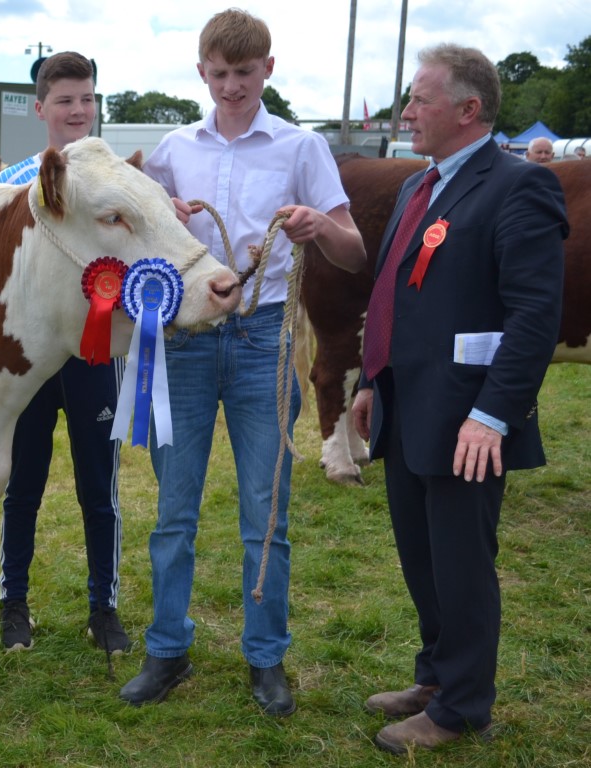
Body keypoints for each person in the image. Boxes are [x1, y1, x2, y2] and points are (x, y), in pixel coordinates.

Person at [118, 9, 365, 714]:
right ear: (202, 72)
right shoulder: (172, 150)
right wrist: (160, 212)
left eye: (245, 73)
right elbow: (133, 235)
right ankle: (167, 649)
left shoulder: (301, 147)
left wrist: (321, 227)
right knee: (174, 510)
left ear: (268, 70)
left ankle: (266, 657)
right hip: (186, 341)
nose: (232, 87)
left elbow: (354, 252)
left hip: (264, 340)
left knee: (266, 512)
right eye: (220, 74)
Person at [351, 44, 566, 754]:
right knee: (423, 559)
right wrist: (369, 380)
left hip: (467, 418)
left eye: (420, 98)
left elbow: (533, 316)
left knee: (460, 564)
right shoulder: (421, 186)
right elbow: (393, 294)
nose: (406, 112)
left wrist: (492, 415)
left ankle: (463, 706)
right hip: (405, 404)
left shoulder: (518, 187)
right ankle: (437, 678)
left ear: (468, 109)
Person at [0, 51, 130, 655]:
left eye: (87, 98)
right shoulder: (10, 183)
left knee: (99, 489)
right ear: (40, 108)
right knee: (22, 484)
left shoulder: (120, 179)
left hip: (96, 354)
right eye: (65, 100)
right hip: (29, 361)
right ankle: (13, 602)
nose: (78, 110)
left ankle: (105, 608)